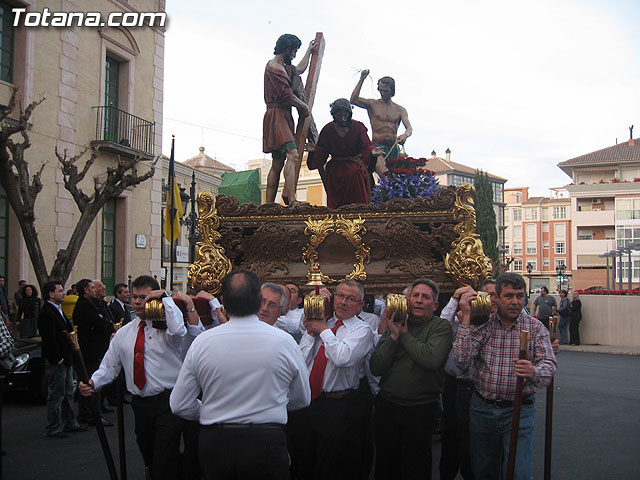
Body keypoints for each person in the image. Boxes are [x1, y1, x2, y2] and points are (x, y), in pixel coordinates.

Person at [170, 270, 310, 480]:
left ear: (224, 301)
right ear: (257, 301)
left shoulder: (203, 342)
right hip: (266, 439)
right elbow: (302, 398)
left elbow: (179, 404)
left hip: (217, 440)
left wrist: (212, 411)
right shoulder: (284, 341)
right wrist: (271, 404)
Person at [79, 276, 202, 480]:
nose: (137, 302)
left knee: (164, 459)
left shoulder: (166, 330)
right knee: (150, 457)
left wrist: (166, 297)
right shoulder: (124, 333)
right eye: (134, 297)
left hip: (168, 402)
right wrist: (93, 383)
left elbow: (179, 329)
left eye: (143, 297)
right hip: (141, 405)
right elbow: (109, 367)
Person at [454, 273, 557, 480]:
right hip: (483, 409)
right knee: (484, 471)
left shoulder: (535, 328)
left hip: (520, 409)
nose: (515, 302)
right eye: (509, 296)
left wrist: (533, 371)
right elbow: (461, 361)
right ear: (497, 299)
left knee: (519, 472)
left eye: (520, 296)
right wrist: (466, 318)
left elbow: (548, 368)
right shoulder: (483, 325)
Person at [289, 280, 374, 480]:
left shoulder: (362, 330)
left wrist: (324, 331)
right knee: (304, 459)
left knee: (332, 464)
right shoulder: (321, 322)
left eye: (350, 299)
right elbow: (300, 362)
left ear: (360, 305)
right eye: (340, 296)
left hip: (339, 406)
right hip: (310, 402)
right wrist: (311, 334)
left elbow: (342, 357)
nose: (343, 302)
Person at [370, 278, 453, 480]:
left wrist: (405, 334)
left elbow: (431, 359)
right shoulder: (395, 323)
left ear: (434, 305)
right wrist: (394, 336)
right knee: (386, 463)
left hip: (420, 409)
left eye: (425, 297)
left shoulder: (440, 327)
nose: (418, 300)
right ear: (407, 300)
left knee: (416, 465)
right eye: (415, 295)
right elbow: (376, 366)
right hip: (388, 405)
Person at [439, 280, 498, 480]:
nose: (491, 300)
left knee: (475, 438)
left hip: (481, 386)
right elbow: (442, 325)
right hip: (456, 383)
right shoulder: (461, 318)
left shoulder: (497, 321)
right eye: (486, 295)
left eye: (495, 296)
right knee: (452, 434)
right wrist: (456, 300)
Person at [263, 33, 315, 205]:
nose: (294, 55)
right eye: (294, 51)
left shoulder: (283, 67)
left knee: (278, 160)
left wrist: (309, 50)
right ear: (286, 49)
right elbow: (288, 96)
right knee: (292, 154)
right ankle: (292, 200)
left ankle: (269, 205)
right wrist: (304, 106)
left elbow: (300, 69)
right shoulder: (275, 68)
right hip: (277, 116)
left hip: (282, 116)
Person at [307, 98, 384, 208]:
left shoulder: (358, 127)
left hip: (354, 165)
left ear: (349, 114)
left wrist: (372, 151)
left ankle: (360, 210)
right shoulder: (328, 130)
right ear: (334, 114)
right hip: (335, 169)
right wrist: (313, 152)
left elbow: (366, 144)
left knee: (355, 172)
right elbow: (322, 152)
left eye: (345, 115)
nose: (343, 119)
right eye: (340, 116)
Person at [37, 281, 86, 438]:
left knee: (68, 393)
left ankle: (70, 422)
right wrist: (57, 359)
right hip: (57, 361)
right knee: (56, 394)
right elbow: (49, 339)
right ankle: (53, 426)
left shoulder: (59, 310)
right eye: (60, 290)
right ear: (51, 294)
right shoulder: (47, 312)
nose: (64, 293)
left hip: (66, 359)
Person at [351, 70, 413, 163]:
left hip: (393, 148)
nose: (383, 93)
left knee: (394, 175)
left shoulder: (400, 109)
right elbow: (353, 100)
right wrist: (362, 79)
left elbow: (409, 128)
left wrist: (405, 135)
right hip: (377, 146)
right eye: (381, 90)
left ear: (392, 90)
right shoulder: (372, 104)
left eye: (386, 91)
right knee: (383, 172)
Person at [73, 279, 112, 426]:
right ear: (86, 291)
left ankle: (89, 413)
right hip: (91, 351)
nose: (95, 290)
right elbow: (100, 324)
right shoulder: (85, 306)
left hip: (93, 350)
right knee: (91, 382)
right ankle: (91, 415)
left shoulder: (92, 304)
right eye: (92, 288)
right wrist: (103, 322)